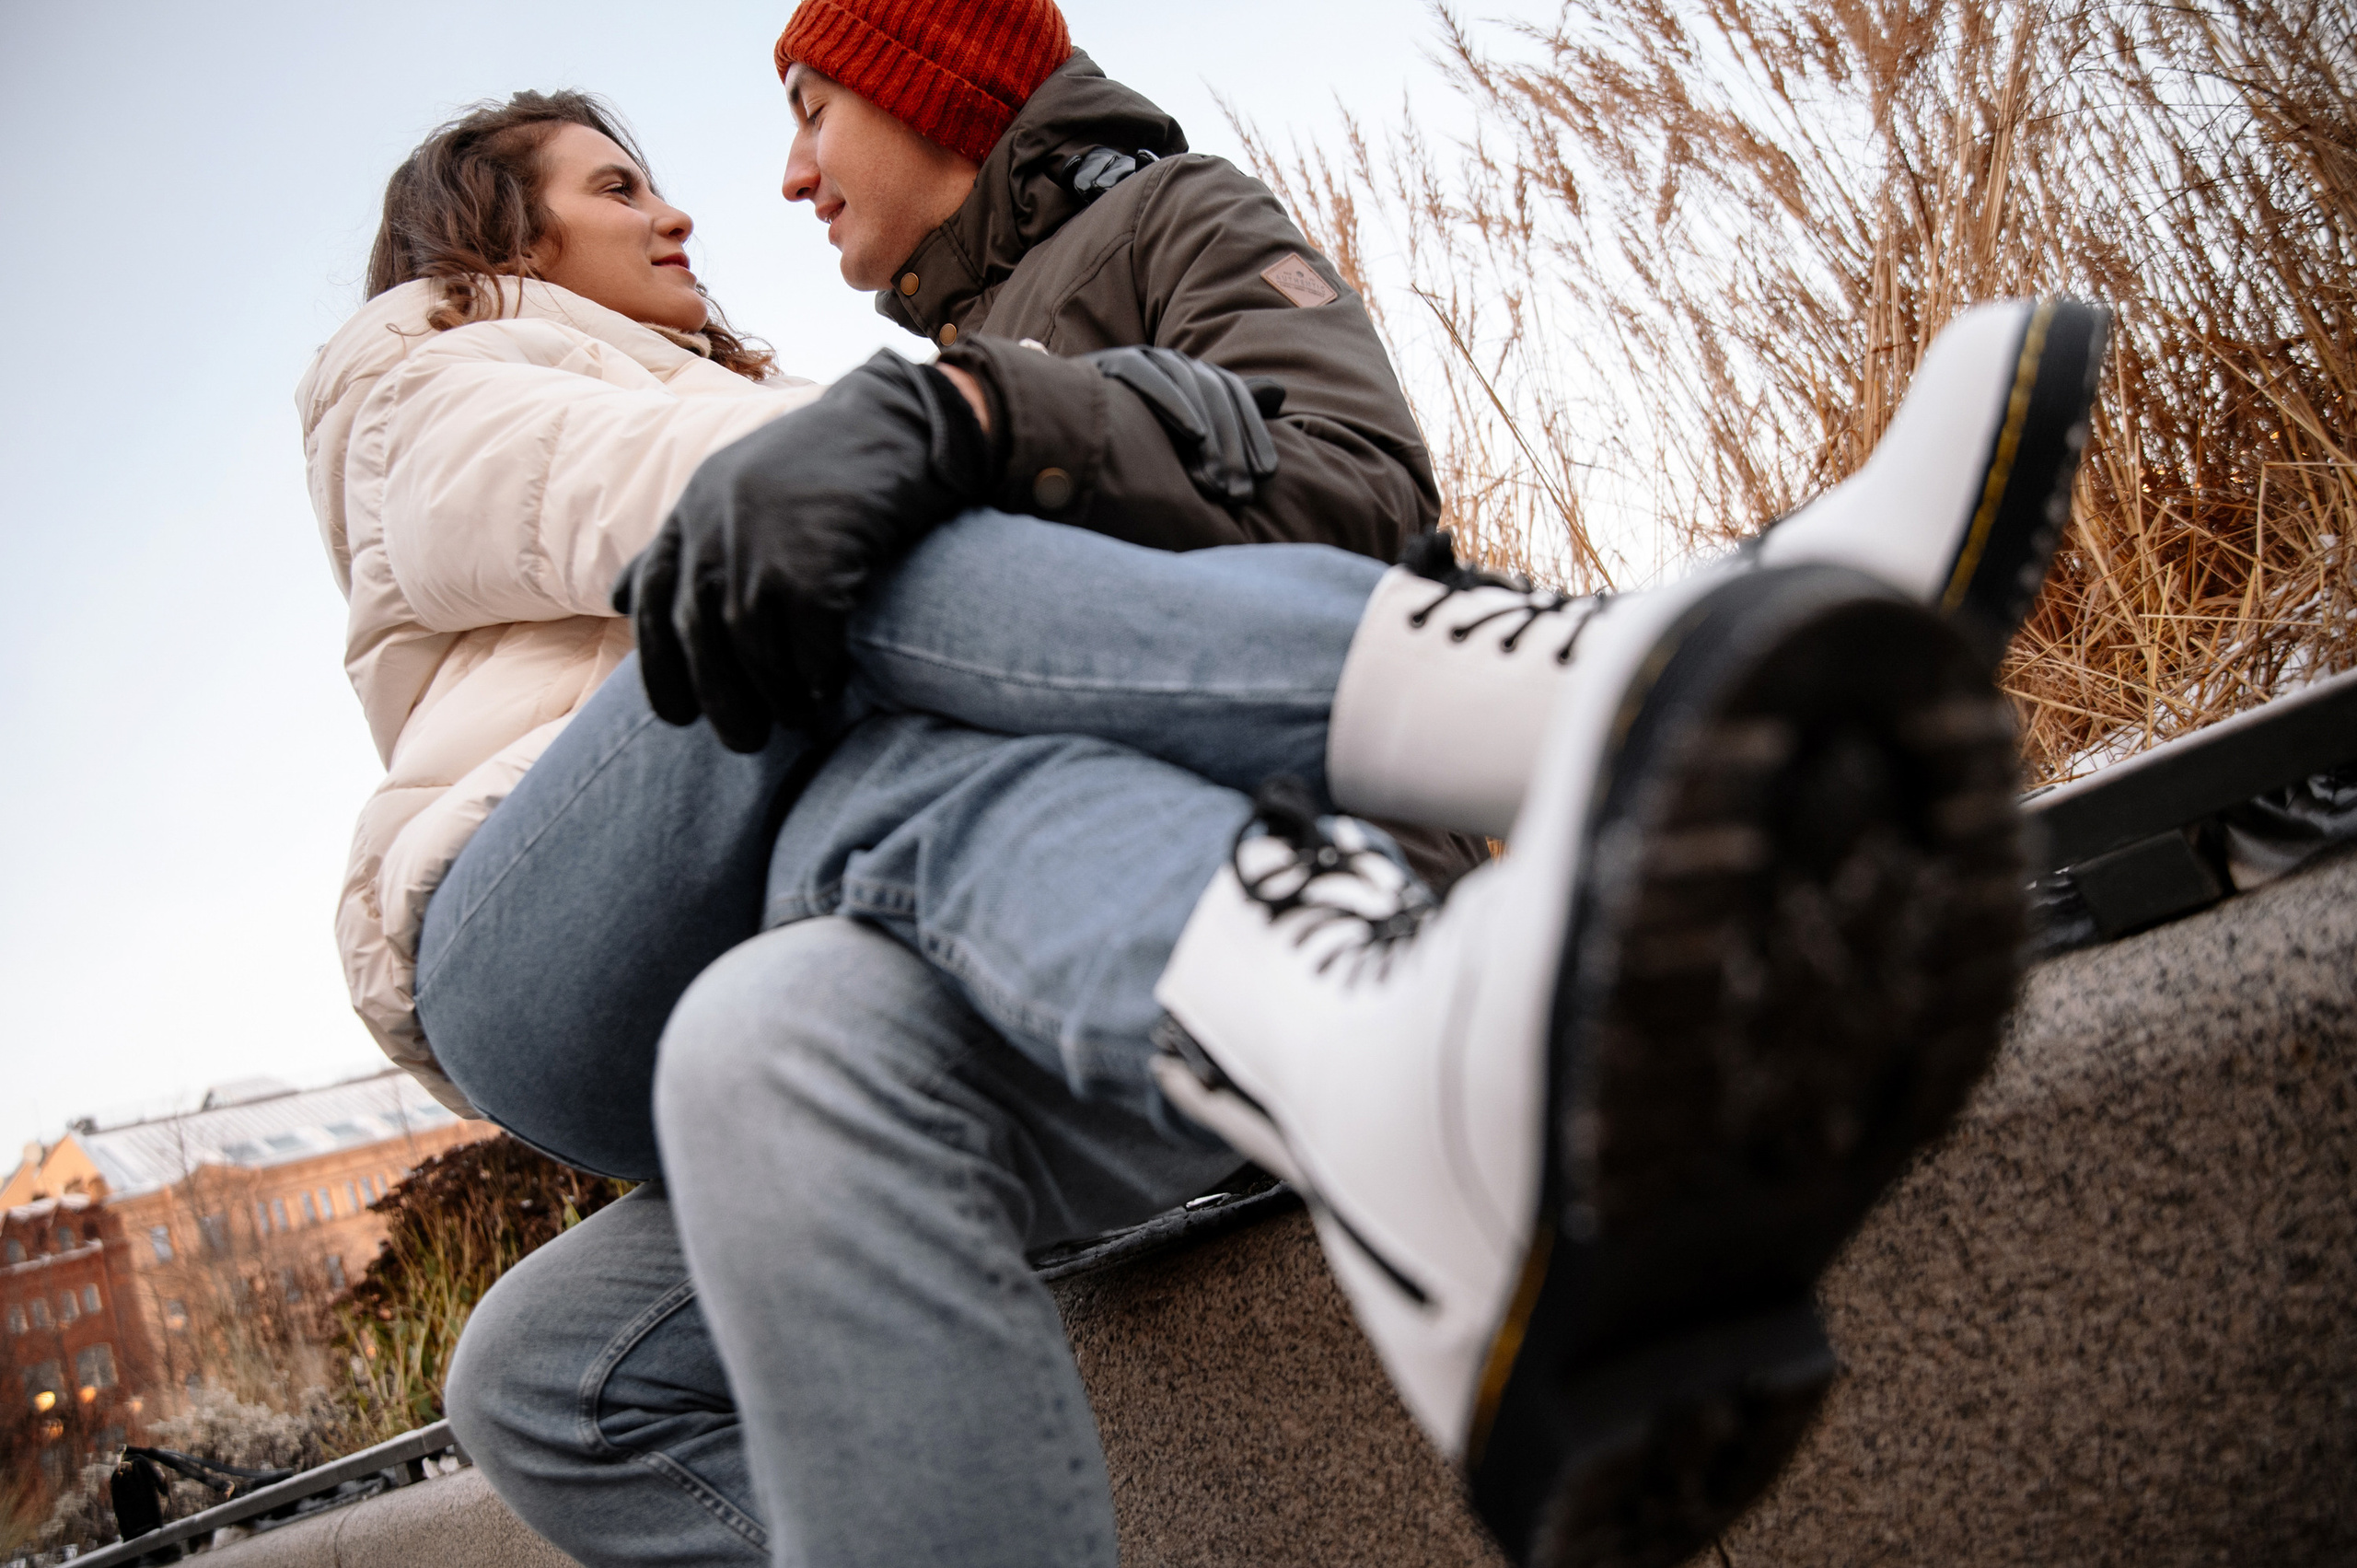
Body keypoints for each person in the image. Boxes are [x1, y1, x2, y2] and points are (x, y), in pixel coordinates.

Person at [295, 13, 2106, 1568]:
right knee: (840, 557)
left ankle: (1388, 1050)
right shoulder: (432, 375)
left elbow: (1339, 478)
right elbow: (670, 493)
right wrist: (940, 425)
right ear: (485, 248)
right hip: (549, 927)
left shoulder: (1137, 232)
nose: (728, 191)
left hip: (945, 934)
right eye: (624, 184)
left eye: (803, 110)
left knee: (628, 1243)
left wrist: (956, 419)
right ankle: (1623, 681)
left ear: (930, 87)